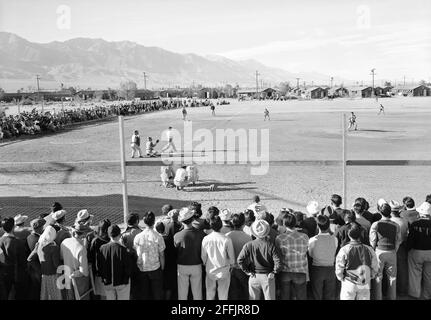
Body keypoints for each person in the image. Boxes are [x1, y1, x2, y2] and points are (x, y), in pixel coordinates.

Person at [238, 219, 282, 300]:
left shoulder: (249, 245)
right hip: (268, 276)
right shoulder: (271, 245)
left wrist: (247, 271)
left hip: (253, 276)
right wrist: (274, 272)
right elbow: (278, 261)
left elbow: (240, 260)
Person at [335, 224, 378, 300]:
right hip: (365, 281)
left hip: (349, 281)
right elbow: (375, 265)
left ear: (348, 235)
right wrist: (371, 276)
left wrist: (341, 278)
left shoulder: (344, 249)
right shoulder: (369, 249)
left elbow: (339, 267)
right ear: (360, 234)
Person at [369, 203, 401, 300]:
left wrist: (374, 249)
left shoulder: (376, 224)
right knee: (392, 277)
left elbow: (373, 240)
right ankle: (392, 297)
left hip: (379, 251)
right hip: (391, 251)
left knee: (378, 276)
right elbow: (398, 240)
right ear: (390, 212)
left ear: (380, 211)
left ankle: (378, 297)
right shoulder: (396, 225)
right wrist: (394, 250)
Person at [174, 207, 206, 300]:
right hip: (196, 265)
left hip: (182, 266)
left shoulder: (177, 236)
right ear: (192, 219)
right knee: (197, 292)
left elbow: (176, 250)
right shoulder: (201, 234)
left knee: (182, 292)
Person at [275, 212, 309, 300]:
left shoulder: (279, 238)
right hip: (300, 271)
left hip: (285, 271)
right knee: (301, 297)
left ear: (284, 224)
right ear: (295, 223)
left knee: (285, 296)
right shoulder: (305, 237)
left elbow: (278, 255)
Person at [201, 216, 235, 300]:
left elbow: (203, 256)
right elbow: (232, 257)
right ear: (221, 226)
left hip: (210, 269)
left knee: (209, 294)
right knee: (223, 295)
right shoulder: (226, 239)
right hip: (224, 270)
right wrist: (231, 265)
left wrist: (205, 264)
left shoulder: (206, 239)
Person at [133, 211, 165, 300]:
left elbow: (136, 252)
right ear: (154, 222)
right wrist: (162, 268)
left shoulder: (138, 237)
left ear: (144, 222)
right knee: (157, 294)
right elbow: (162, 255)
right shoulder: (158, 236)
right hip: (155, 268)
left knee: (144, 294)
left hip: (142, 268)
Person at [98, 225, 132, 300]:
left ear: (108, 235)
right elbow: (128, 268)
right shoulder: (123, 250)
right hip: (122, 283)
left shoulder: (102, 248)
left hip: (107, 282)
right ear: (120, 235)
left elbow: (99, 266)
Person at [308, 215, 338, 300]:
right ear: (329, 225)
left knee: (317, 295)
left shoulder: (313, 240)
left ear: (318, 226)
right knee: (330, 295)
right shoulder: (334, 239)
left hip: (317, 269)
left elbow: (310, 254)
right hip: (330, 269)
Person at [406, 201, 431, 299]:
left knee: (414, 274)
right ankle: (427, 295)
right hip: (430, 253)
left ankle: (415, 294)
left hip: (416, 252)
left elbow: (410, 240)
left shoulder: (414, 224)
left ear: (421, 213)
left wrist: (408, 249)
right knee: (428, 275)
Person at [0, 217, 29, 300]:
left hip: (3, 274)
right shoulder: (18, 242)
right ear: (13, 227)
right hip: (17, 274)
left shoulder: (1, 240)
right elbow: (23, 262)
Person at [60, 223, 90, 300]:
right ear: (84, 234)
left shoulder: (64, 241)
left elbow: (61, 257)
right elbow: (84, 272)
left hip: (67, 277)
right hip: (78, 282)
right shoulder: (81, 248)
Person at [226, 213, 252, 300]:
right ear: (243, 223)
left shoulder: (227, 236)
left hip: (230, 268)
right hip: (244, 269)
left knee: (233, 292)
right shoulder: (248, 237)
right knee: (245, 291)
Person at [120, 213, 142, 300]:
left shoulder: (123, 235)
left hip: (129, 265)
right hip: (140, 263)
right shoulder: (141, 232)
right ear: (136, 221)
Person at [389, 200, 409, 297]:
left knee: (390, 270)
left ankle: (390, 291)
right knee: (402, 269)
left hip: (391, 247)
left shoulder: (390, 221)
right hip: (401, 247)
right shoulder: (404, 221)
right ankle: (402, 290)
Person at [36, 226, 62, 300]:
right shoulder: (54, 248)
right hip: (53, 275)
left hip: (44, 274)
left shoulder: (39, 245)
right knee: (55, 296)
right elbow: (56, 264)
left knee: (45, 295)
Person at [88, 219, 111, 299]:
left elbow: (90, 258)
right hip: (110, 273)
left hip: (99, 273)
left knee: (103, 296)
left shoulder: (95, 241)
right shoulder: (111, 240)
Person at [26, 218, 46, 300]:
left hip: (32, 267)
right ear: (39, 228)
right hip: (39, 267)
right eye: (42, 227)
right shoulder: (40, 240)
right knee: (39, 289)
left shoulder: (29, 237)